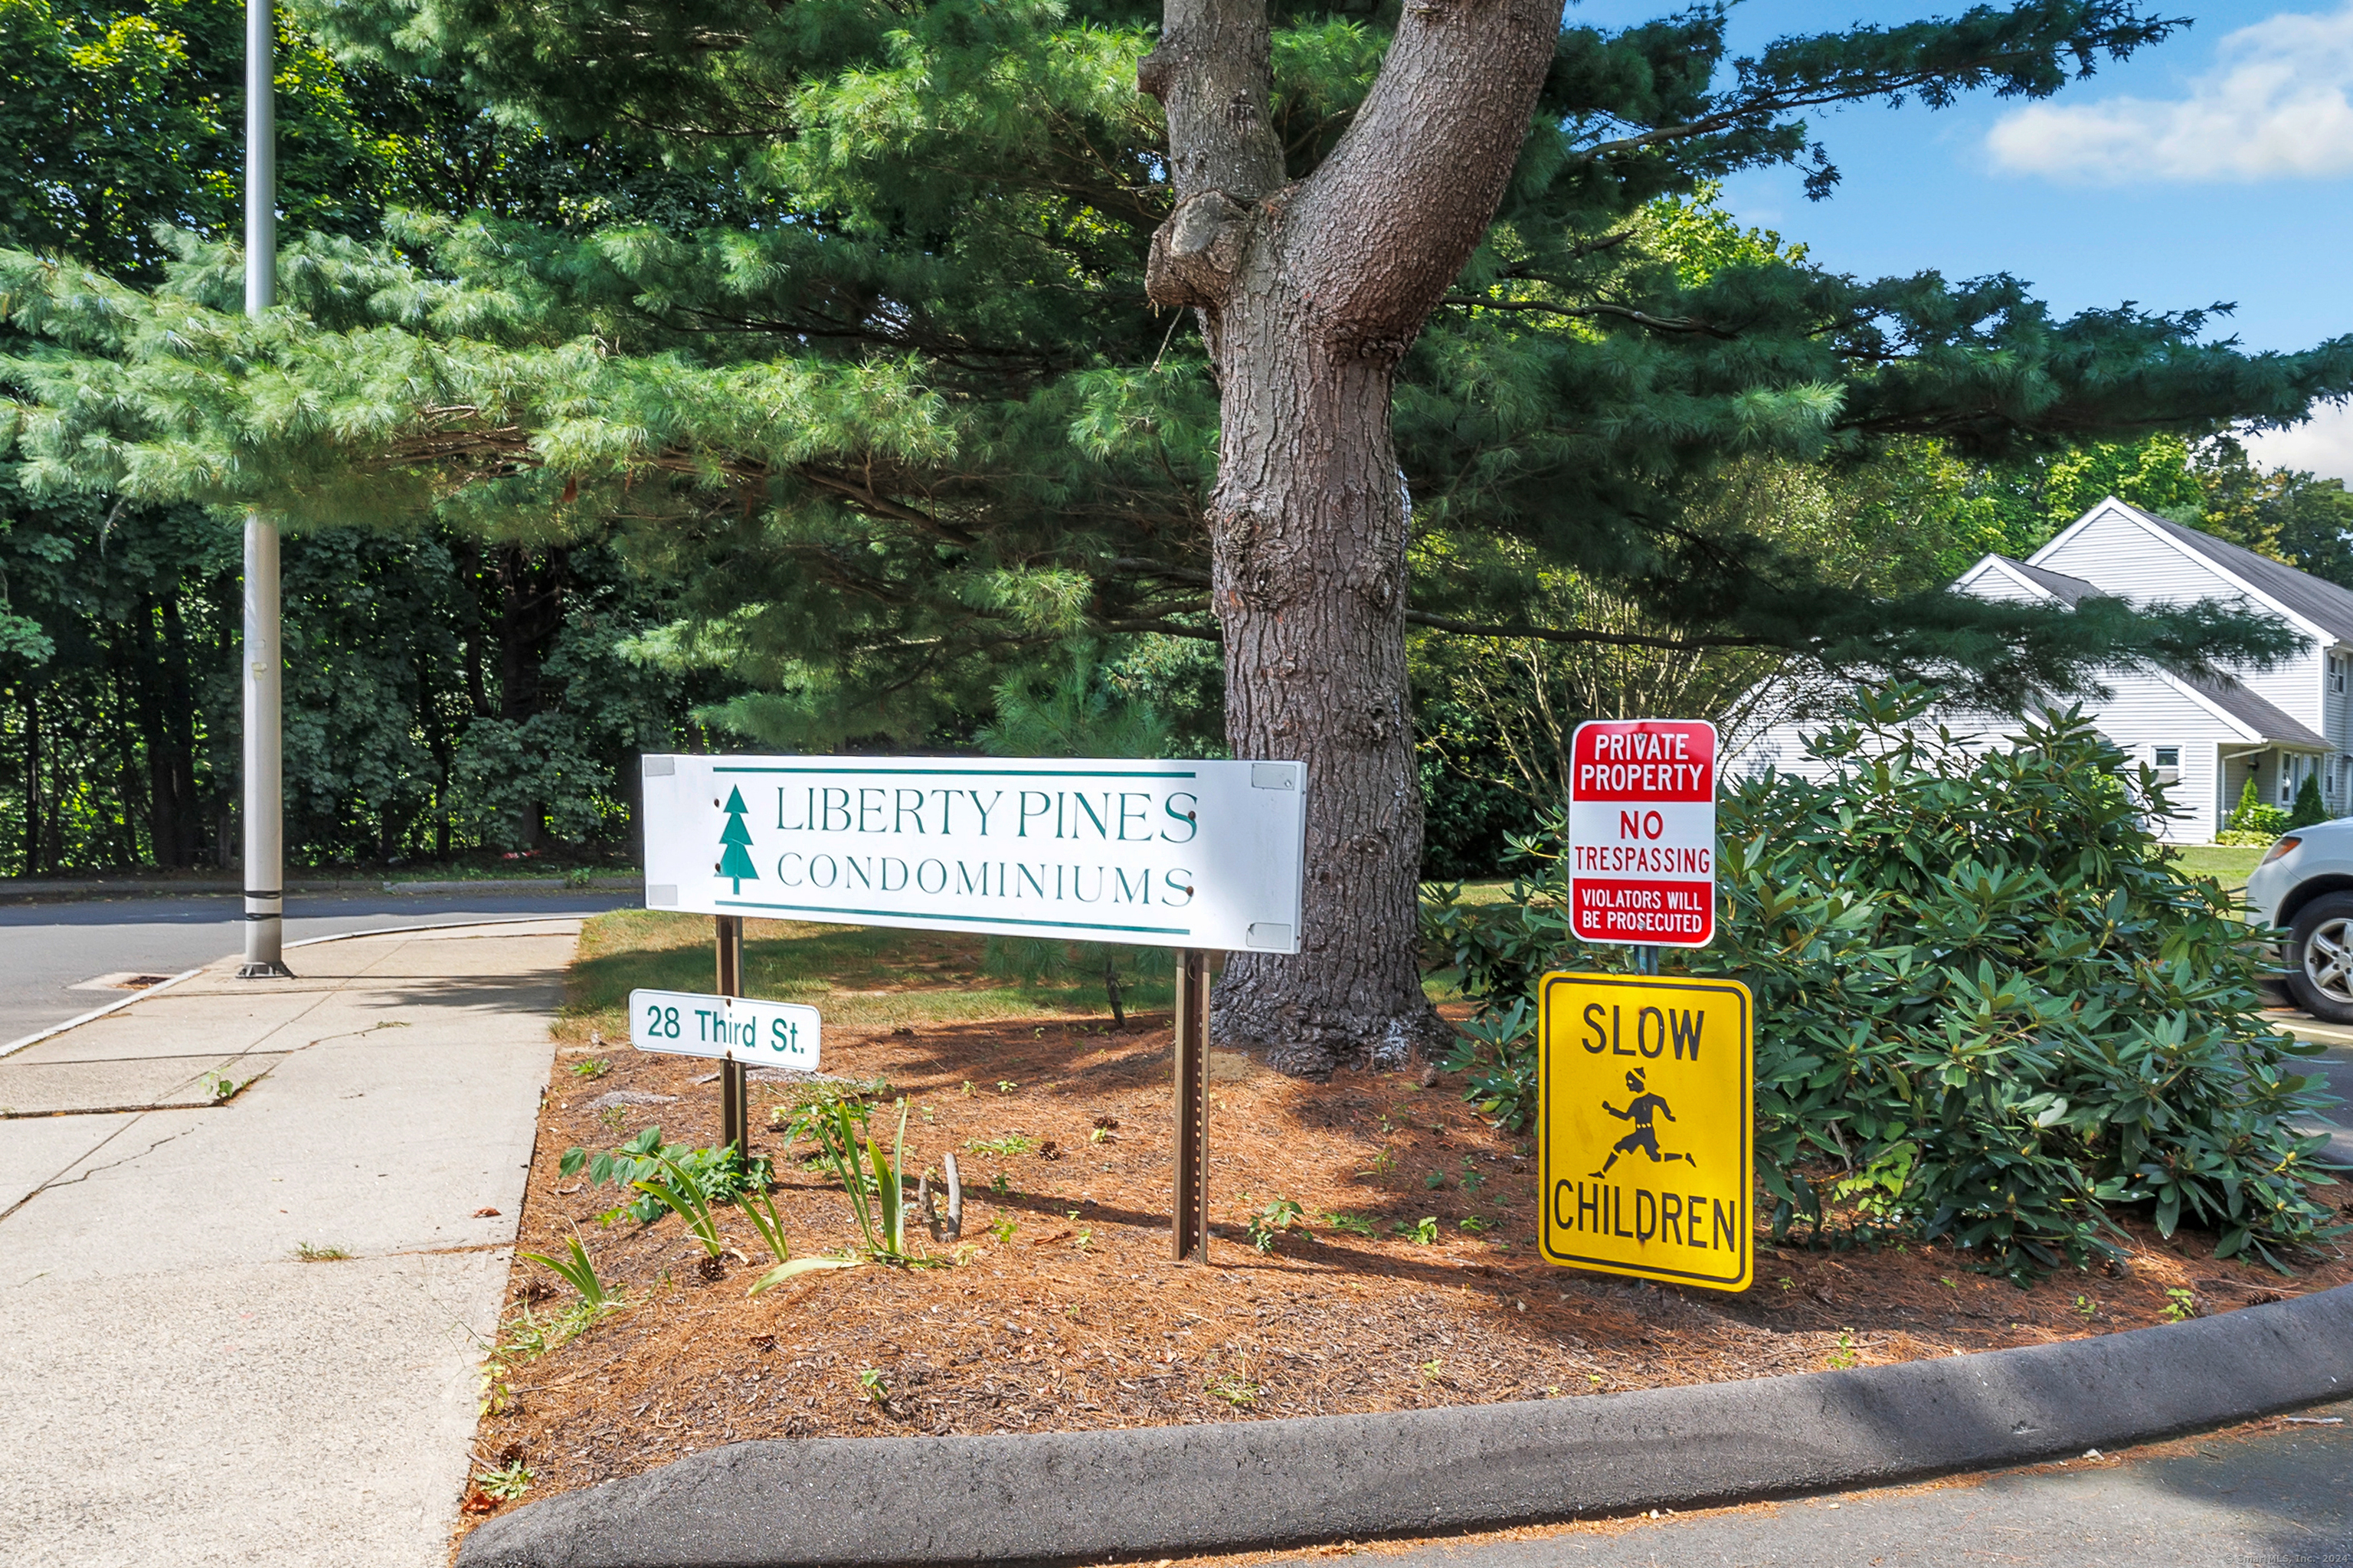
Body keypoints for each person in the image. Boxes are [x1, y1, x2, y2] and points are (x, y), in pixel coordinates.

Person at [1591, 1068, 1695, 1177]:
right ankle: (1602, 1173)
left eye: (1630, 1082)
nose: (1627, 1085)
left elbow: (1661, 1101)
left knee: (1655, 1157)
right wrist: (1610, 1110)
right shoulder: (1636, 1102)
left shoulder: (1649, 1098)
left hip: (1647, 1133)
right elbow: (1626, 1117)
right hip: (1639, 1133)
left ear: (1638, 1082)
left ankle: (1684, 1157)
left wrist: (1668, 1115)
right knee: (1618, 1146)